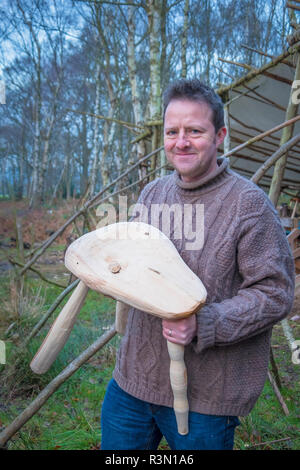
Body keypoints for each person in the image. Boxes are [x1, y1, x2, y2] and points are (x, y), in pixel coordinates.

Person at [100, 79, 295, 450]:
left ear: (220, 135)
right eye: (172, 131)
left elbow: (277, 293)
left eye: (195, 131)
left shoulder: (249, 206)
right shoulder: (153, 193)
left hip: (207, 397)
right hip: (133, 384)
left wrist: (205, 322)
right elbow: (133, 263)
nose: (181, 141)